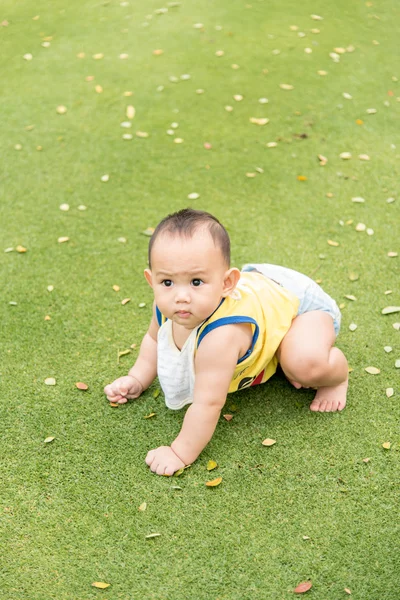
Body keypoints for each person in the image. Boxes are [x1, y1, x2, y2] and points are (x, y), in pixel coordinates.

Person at [104, 208, 348, 476]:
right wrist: (137, 378)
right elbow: (154, 339)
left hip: (301, 305)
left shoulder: (221, 336)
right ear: (152, 281)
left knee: (303, 364)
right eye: (167, 282)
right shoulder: (166, 307)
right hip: (264, 299)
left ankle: (336, 376)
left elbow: (208, 403)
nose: (181, 296)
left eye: (196, 282)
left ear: (226, 283)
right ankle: (275, 348)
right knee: (284, 356)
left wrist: (178, 452)